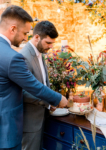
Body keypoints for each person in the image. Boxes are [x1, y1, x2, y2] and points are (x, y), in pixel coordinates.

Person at [0, 5, 68, 150]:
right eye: (25, 33)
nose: (26, 37)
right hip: (10, 129)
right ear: (12, 29)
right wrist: (57, 99)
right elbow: (33, 87)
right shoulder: (14, 57)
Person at [20, 21, 60, 150]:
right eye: (48, 43)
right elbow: (23, 92)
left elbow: (42, 83)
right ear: (36, 37)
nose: (51, 46)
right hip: (30, 123)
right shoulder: (24, 57)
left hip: (42, 117)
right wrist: (49, 101)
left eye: (52, 43)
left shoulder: (39, 52)